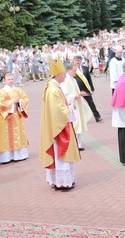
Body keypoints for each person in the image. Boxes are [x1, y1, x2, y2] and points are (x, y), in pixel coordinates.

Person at [41, 58, 81, 191]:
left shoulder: (54, 87)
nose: (65, 75)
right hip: (59, 128)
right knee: (62, 153)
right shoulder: (53, 90)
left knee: (62, 154)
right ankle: (62, 182)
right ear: (57, 75)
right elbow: (58, 111)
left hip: (57, 125)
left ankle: (61, 180)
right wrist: (70, 108)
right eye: (63, 74)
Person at [0, 72, 29, 163]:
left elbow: (25, 99)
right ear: (5, 80)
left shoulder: (19, 90)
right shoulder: (1, 92)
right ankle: (6, 157)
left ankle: (19, 154)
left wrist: (20, 102)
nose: (10, 81)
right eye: (8, 79)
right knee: (6, 136)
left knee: (18, 134)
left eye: (12, 79)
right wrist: (12, 102)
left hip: (17, 116)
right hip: (6, 117)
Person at [60, 62, 88, 151]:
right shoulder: (65, 81)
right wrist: (75, 96)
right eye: (74, 70)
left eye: (76, 70)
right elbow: (65, 95)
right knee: (75, 124)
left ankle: (79, 144)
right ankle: (74, 143)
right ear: (68, 70)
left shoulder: (73, 79)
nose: (75, 72)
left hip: (77, 104)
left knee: (79, 124)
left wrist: (79, 94)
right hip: (72, 105)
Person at [73, 55, 102, 122]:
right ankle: (77, 119)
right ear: (74, 60)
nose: (77, 61)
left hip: (85, 89)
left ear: (81, 60)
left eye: (79, 60)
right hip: (77, 89)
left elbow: (89, 79)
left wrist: (92, 88)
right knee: (77, 105)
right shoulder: (72, 69)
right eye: (76, 60)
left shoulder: (85, 68)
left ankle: (97, 117)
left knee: (91, 103)